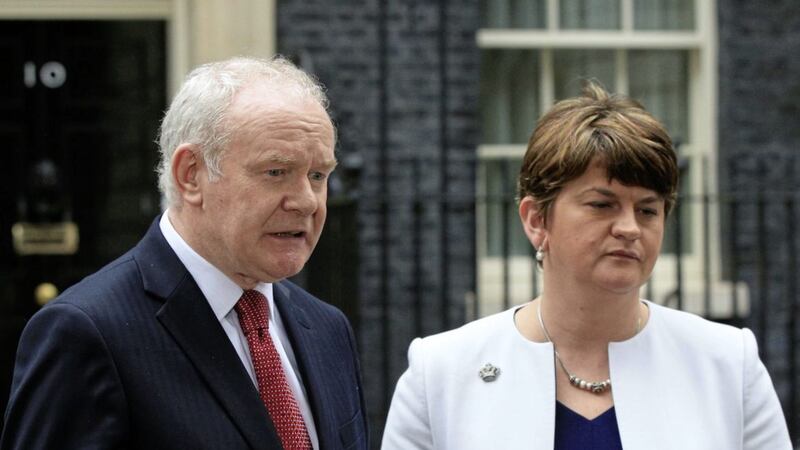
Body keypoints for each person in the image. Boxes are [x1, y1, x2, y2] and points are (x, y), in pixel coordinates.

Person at [381, 82, 791, 449]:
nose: (630, 227)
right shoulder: (440, 372)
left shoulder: (728, 365)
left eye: (648, 210)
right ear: (536, 220)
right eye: (602, 205)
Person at [2, 56, 368, 450]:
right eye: (275, 172)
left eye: (317, 176)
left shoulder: (328, 328)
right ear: (190, 175)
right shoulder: (86, 333)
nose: (306, 202)